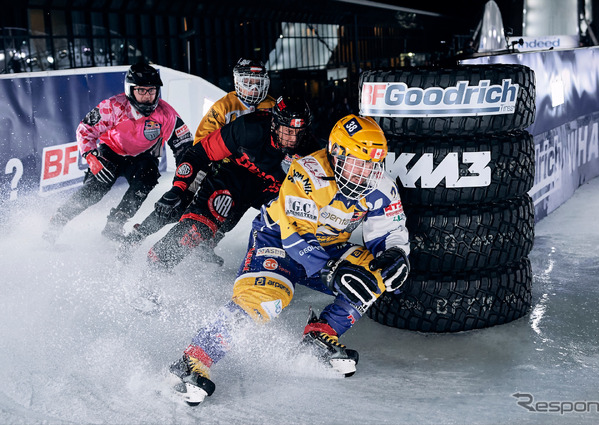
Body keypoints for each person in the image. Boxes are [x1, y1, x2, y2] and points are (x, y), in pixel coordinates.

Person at [167, 114, 410, 406]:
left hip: (327, 248)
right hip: (277, 240)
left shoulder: (381, 186)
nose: (364, 175)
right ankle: (192, 360)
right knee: (267, 300)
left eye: (372, 166)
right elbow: (295, 235)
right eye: (358, 164)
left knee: (375, 273)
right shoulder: (307, 172)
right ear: (336, 155)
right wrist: (332, 270)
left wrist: (397, 255)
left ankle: (321, 335)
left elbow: (391, 233)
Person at [117, 58, 275, 262]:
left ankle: (208, 243)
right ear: (238, 83)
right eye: (247, 83)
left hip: (247, 172)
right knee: (178, 202)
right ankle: (139, 234)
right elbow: (202, 144)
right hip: (215, 164)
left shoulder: (272, 105)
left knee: (232, 207)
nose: (253, 89)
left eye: (258, 83)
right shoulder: (224, 106)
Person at [141, 95, 319, 273]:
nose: (293, 139)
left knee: (298, 221)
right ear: (274, 124)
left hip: (271, 190)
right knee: (200, 225)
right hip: (234, 175)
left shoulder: (311, 151)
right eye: (288, 131)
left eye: (299, 132)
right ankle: (156, 264)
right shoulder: (248, 128)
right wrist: (178, 188)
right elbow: (198, 153)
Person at [42, 63, 193, 243]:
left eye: (151, 91)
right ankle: (58, 220)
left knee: (148, 177)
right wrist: (90, 157)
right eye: (141, 91)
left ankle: (115, 223)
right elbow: (85, 129)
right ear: (130, 90)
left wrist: (184, 182)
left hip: (143, 156)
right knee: (96, 187)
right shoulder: (112, 106)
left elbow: (184, 147)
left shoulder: (167, 114)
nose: (147, 97)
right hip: (110, 152)